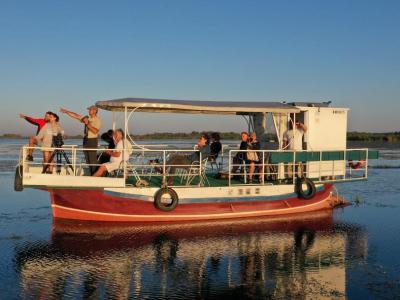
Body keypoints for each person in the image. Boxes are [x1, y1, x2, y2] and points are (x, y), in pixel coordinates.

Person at [60, 106, 102, 175]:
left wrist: (87, 123)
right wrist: (67, 112)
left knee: (92, 160)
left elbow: (95, 131)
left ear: (95, 111)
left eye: (90, 110)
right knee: (88, 160)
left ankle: (95, 175)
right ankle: (92, 174)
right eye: (89, 110)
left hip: (92, 140)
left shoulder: (97, 120)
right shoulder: (87, 118)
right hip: (86, 140)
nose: (89, 111)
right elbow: (77, 116)